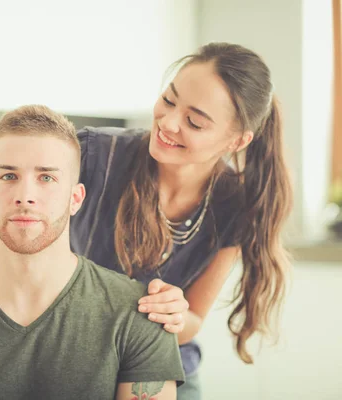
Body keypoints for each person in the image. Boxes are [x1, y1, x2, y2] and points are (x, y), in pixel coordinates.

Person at [0, 105, 185, 400]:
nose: (25, 196)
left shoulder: (140, 316)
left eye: (46, 178)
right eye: (9, 176)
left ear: (75, 198)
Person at [70, 42, 293, 400]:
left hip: (165, 367)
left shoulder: (236, 205)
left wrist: (175, 315)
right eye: (169, 100)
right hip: (72, 360)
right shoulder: (93, 155)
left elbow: (192, 324)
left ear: (237, 141)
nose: (168, 122)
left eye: (194, 122)